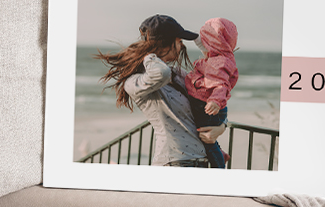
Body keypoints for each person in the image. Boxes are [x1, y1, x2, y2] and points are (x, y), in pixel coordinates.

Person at [95, 14, 226, 167]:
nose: (182, 45)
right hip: (174, 162)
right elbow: (161, 74)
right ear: (164, 43)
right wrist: (150, 54)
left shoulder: (176, 74)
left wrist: (221, 127)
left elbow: (208, 93)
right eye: (179, 41)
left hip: (201, 160)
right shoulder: (134, 82)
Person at [185, 18, 239, 168]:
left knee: (208, 144)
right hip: (210, 107)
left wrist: (214, 101)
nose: (204, 46)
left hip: (210, 107)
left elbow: (221, 84)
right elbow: (204, 48)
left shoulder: (220, 62)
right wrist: (196, 38)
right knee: (209, 141)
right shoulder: (217, 58)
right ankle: (220, 153)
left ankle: (219, 169)